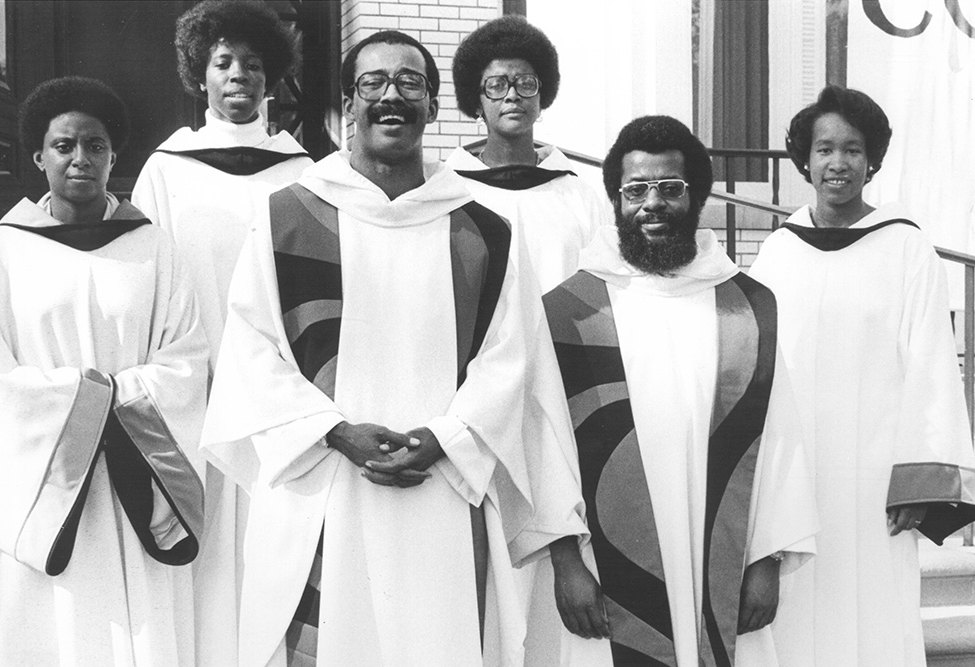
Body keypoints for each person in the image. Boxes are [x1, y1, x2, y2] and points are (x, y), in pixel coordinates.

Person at [200, 30, 586, 667]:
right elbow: (251, 351)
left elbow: (512, 360)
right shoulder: (287, 217)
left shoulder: (481, 228)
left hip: (443, 489)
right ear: (349, 104)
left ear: (433, 106)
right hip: (325, 483)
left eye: (410, 83)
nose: (391, 97)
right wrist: (334, 430)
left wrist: (445, 437)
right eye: (373, 83)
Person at [540, 115, 818, 667]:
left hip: (725, 561)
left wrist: (766, 560)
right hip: (605, 568)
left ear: (696, 197)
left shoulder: (746, 306)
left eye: (670, 188)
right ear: (615, 202)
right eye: (635, 190)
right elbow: (545, 443)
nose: (652, 204)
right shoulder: (571, 310)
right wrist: (566, 563)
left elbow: (779, 438)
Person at [0, 76, 208, 666]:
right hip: (45, 482)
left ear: (113, 155)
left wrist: (99, 401)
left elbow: (185, 358)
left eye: (96, 146)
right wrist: (90, 403)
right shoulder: (1, 253)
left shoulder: (154, 247)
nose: (81, 159)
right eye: (64, 145)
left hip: (134, 471)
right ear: (37, 155)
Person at [749, 85, 975, 667]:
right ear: (805, 159)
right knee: (795, 616)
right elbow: (756, 365)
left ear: (871, 159)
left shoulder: (906, 247)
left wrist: (918, 482)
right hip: (795, 477)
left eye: (853, 149)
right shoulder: (777, 253)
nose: (838, 163)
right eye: (824, 149)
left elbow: (930, 365)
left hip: (876, 482)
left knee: (872, 616)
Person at [130, 3, 312, 664]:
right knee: (204, 557)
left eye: (253, 64)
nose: (238, 76)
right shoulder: (167, 170)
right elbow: (148, 283)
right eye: (223, 62)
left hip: (278, 394)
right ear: (199, 75)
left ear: (272, 80)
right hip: (198, 395)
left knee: (272, 542)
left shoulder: (303, 173)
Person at [446, 15, 607, 292]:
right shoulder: (452, 192)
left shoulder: (579, 197)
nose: (512, 95)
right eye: (496, 85)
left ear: (541, 97)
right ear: (477, 102)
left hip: (561, 335)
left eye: (526, 83)